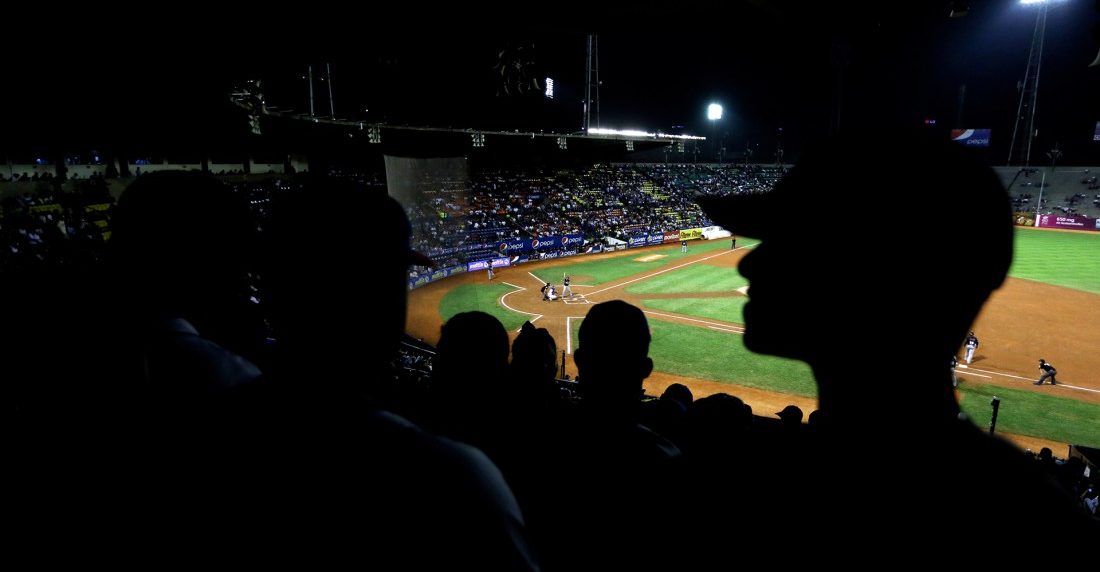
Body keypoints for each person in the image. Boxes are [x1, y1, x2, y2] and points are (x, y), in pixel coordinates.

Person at [696, 126, 1095, 546]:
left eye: (791, 242)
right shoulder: (1024, 509)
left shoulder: (771, 486)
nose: (750, 265)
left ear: (884, 276)